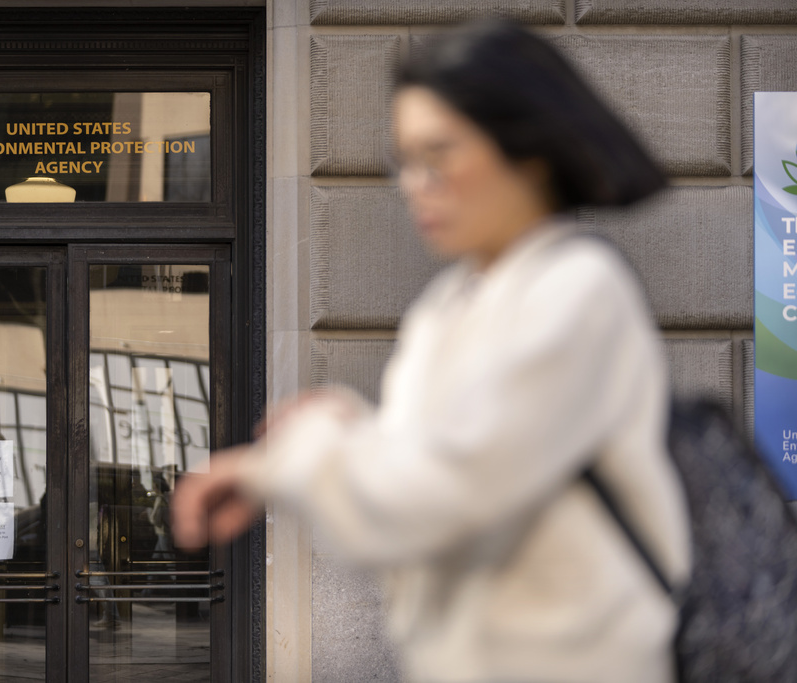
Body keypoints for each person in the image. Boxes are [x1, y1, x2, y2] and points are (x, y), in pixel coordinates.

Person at [173, 18, 691, 683]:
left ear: (528, 150)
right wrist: (337, 433)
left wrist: (295, 456)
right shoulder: (448, 305)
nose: (415, 184)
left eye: (438, 154)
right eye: (405, 160)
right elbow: (421, 465)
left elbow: (438, 491)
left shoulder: (578, 290)